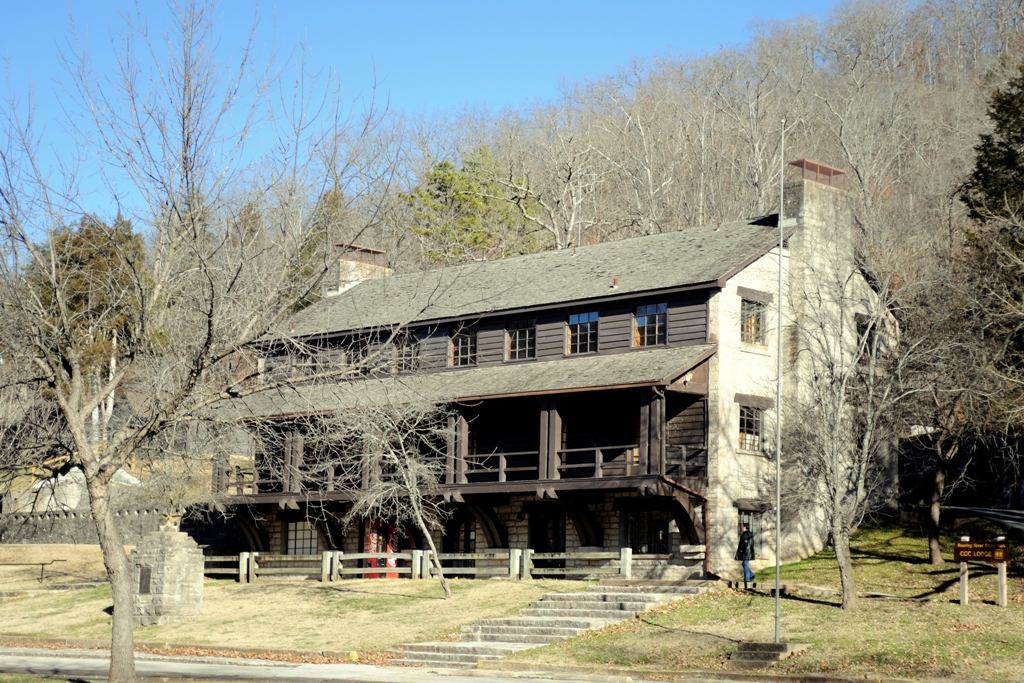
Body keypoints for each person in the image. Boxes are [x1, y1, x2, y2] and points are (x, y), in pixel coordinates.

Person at [735, 523, 755, 588]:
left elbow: (744, 542)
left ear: (745, 527)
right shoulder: (750, 534)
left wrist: (741, 549)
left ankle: (747, 580)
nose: (741, 527)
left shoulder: (745, 534)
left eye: (742, 526)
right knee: (744, 564)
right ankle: (751, 575)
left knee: (745, 565)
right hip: (749, 552)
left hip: (746, 552)